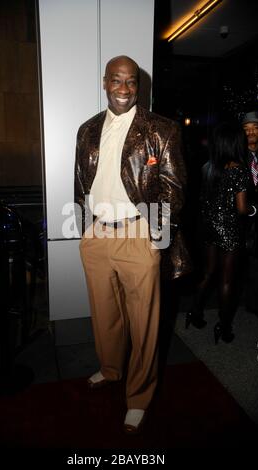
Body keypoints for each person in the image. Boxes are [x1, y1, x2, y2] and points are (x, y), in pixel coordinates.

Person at [74, 55, 189, 434]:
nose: (124, 89)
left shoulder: (160, 129)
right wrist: (85, 229)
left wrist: (157, 237)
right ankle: (110, 370)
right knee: (105, 318)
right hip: (98, 238)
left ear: (139, 86)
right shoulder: (87, 130)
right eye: (117, 80)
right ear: (104, 82)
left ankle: (138, 396)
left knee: (144, 325)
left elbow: (173, 189)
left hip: (139, 235)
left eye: (132, 82)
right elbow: (80, 183)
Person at [185, 122, 256, 343]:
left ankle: (193, 312)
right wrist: (256, 209)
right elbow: (242, 209)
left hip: (208, 228)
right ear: (235, 144)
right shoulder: (240, 171)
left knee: (208, 273)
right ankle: (224, 327)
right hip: (229, 229)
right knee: (227, 281)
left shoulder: (207, 167)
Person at [242, 111, 258, 320]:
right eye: (246, 128)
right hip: (242, 218)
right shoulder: (236, 157)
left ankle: (256, 303)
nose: (250, 132)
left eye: (255, 128)